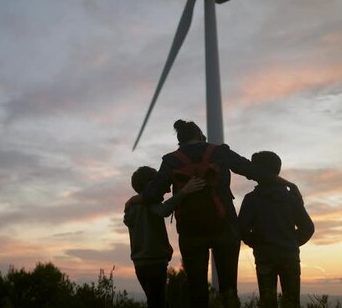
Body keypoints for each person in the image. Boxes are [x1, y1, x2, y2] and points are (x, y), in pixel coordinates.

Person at [125, 120, 298, 308]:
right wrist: (285, 182)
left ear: (180, 141)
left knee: (197, 292)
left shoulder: (171, 160)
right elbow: (251, 170)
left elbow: (152, 194)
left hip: (191, 234)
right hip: (225, 229)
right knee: (228, 289)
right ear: (200, 136)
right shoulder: (220, 152)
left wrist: (136, 199)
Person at [238, 151, 314, 308]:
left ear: (260, 171)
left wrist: (256, 243)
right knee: (292, 302)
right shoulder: (291, 198)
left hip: (265, 256)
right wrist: (292, 242)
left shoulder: (251, 199)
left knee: (267, 302)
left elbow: (241, 229)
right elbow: (308, 228)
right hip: (289, 256)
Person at [124, 166, 205, 308]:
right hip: (155, 262)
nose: (163, 188)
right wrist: (184, 191)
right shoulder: (149, 203)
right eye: (158, 183)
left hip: (139, 264)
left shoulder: (132, 207)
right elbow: (164, 210)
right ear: (150, 185)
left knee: (154, 300)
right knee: (158, 302)